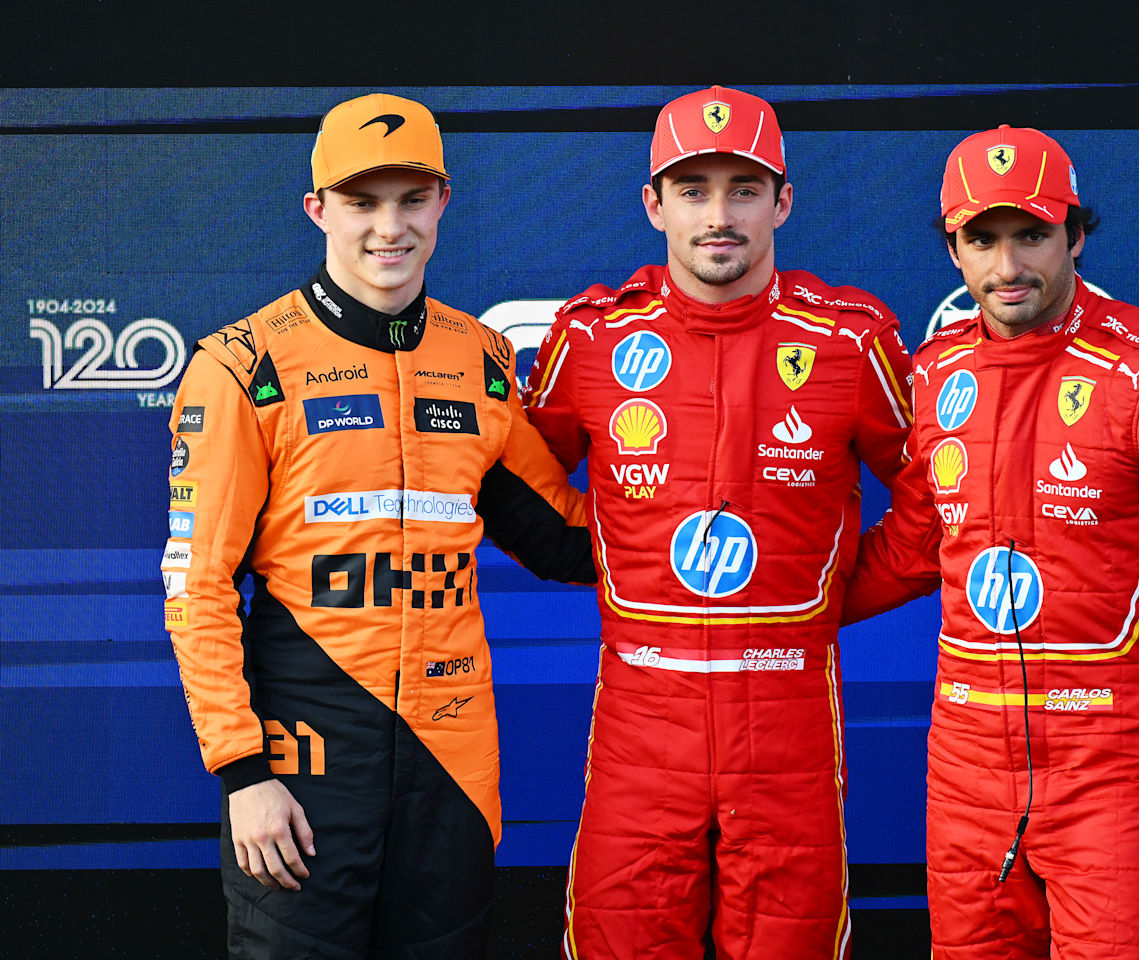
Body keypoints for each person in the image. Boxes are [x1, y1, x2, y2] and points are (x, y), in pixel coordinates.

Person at [162, 92, 594, 958]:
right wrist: (243, 775)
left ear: (443, 202)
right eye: (362, 202)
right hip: (305, 760)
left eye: (411, 199)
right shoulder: (244, 365)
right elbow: (198, 584)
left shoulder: (482, 360)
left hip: (454, 759)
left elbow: (570, 541)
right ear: (318, 209)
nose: (388, 228)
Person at [842, 125, 1139, 959]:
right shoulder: (935, 372)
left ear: (1076, 235)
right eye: (982, 240)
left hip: (1109, 765)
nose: (1007, 268)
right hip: (965, 768)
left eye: (1032, 236)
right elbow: (909, 549)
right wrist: (761, 610)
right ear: (954, 250)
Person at [522, 85, 914, 959]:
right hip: (639, 715)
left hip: (788, 717)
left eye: (743, 188)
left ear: (782, 200)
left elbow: (939, 500)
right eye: (693, 190)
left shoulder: (851, 340)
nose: (719, 215)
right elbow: (518, 475)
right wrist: (614, 553)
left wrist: (827, 597)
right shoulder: (592, 335)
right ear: (654, 204)